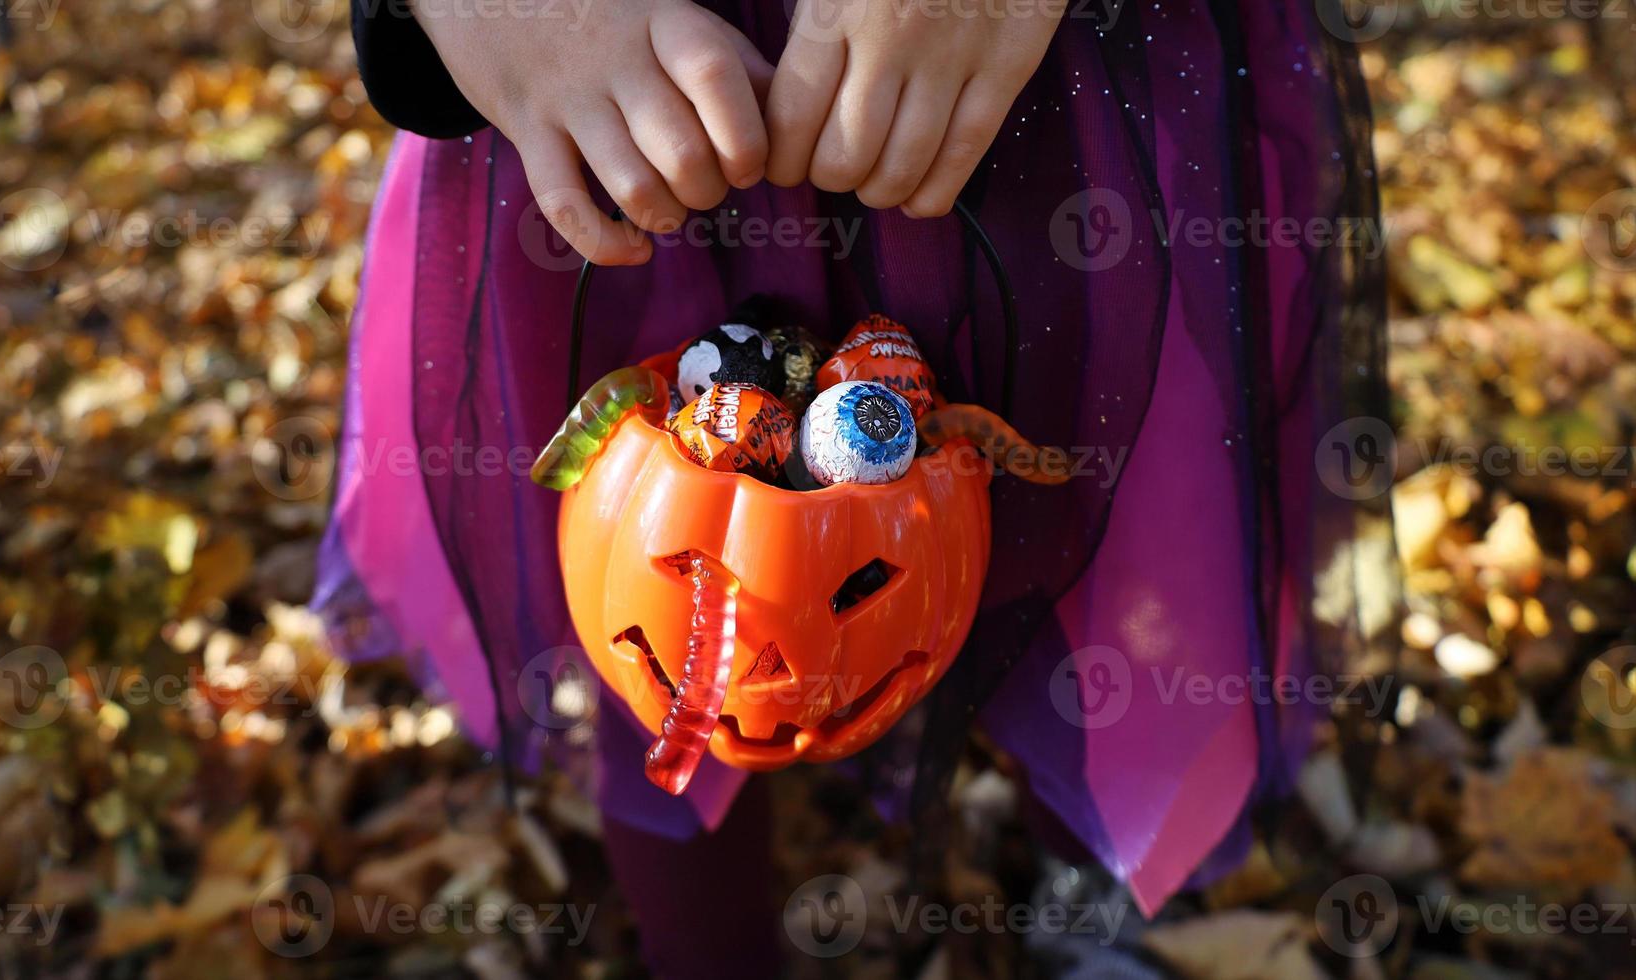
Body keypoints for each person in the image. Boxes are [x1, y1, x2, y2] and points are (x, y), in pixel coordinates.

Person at [315, 0, 1392, 974]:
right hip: (596, 62)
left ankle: (1096, 915)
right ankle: (707, 949)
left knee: (1109, 487)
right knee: (649, 578)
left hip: (1041, 73)